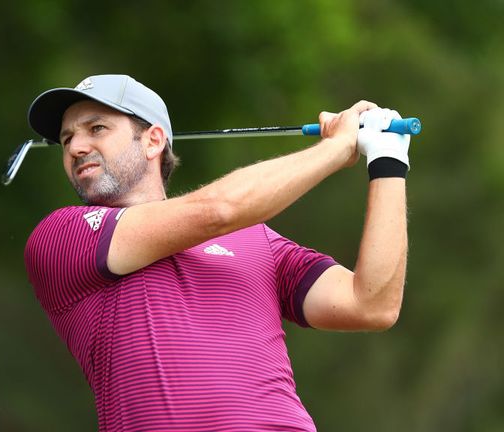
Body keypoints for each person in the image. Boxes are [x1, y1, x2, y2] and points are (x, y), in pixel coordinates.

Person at [24, 74, 409, 431]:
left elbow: (371, 304)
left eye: (96, 128)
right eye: (67, 137)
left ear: (153, 140)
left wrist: (388, 163)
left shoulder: (258, 240)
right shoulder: (63, 236)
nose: (76, 147)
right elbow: (219, 210)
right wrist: (338, 147)